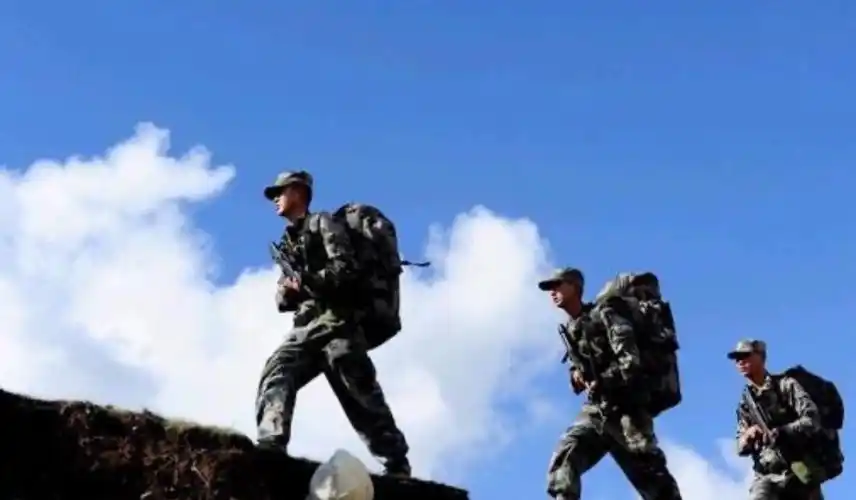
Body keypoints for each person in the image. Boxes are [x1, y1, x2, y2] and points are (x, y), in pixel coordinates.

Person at [255, 170, 411, 477]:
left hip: (338, 321)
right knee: (278, 369)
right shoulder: (290, 242)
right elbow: (282, 301)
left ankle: (396, 461)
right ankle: (271, 442)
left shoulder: (323, 223)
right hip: (309, 325)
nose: (275, 199)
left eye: (280, 192)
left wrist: (307, 281)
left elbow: (345, 270)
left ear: (298, 192)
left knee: (357, 391)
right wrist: (288, 290)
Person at [541, 267, 683, 500]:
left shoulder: (605, 314)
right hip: (598, 410)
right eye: (550, 288)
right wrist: (576, 376)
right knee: (566, 454)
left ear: (575, 287)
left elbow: (630, 363)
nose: (552, 292)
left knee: (654, 481)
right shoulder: (573, 329)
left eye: (558, 285)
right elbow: (581, 365)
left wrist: (603, 381)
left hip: (628, 410)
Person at [730, 339, 826, 500]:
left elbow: (812, 419)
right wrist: (748, 436)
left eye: (745, 356)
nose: (740, 362)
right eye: (737, 358)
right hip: (766, 475)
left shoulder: (786, 385)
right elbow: (740, 447)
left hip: (798, 470)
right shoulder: (746, 403)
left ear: (761, 357)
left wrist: (783, 431)